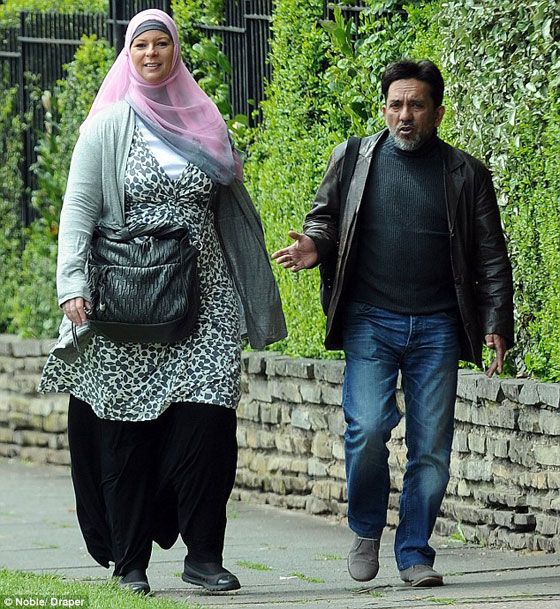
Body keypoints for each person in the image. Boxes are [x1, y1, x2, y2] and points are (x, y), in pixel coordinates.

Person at [39, 9, 286, 595]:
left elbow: (229, 204)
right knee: (125, 426)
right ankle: (130, 562)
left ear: (176, 52)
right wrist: (72, 284)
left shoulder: (205, 120)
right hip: (128, 295)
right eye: (141, 45)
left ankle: (204, 556)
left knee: (210, 418)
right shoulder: (108, 125)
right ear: (129, 55)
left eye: (162, 44)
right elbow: (78, 208)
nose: (152, 53)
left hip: (205, 293)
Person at [272, 60, 513, 587]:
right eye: (396, 104)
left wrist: (496, 322)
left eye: (416, 105)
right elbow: (325, 219)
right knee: (366, 429)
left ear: (438, 113)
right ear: (384, 108)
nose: (405, 115)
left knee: (431, 448)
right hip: (370, 320)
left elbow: (491, 255)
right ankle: (365, 529)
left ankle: (414, 552)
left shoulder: (467, 173)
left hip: (438, 326)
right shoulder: (352, 158)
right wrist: (315, 246)